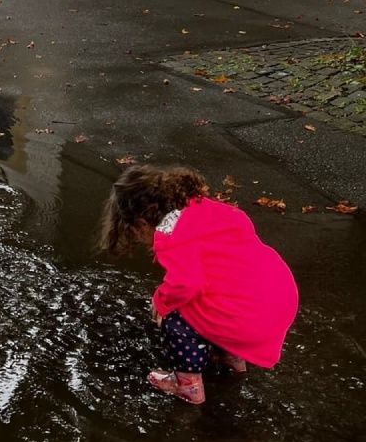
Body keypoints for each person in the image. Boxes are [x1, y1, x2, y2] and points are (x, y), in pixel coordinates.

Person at [99, 164, 298, 406]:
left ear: (141, 223)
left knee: (174, 313)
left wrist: (160, 302)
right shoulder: (208, 210)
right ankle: (232, 357)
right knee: (216, 295)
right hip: (278, 299)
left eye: (137, 235)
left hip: (246, 320)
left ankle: (187, 385)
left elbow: (186, 283)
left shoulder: (170, 235)